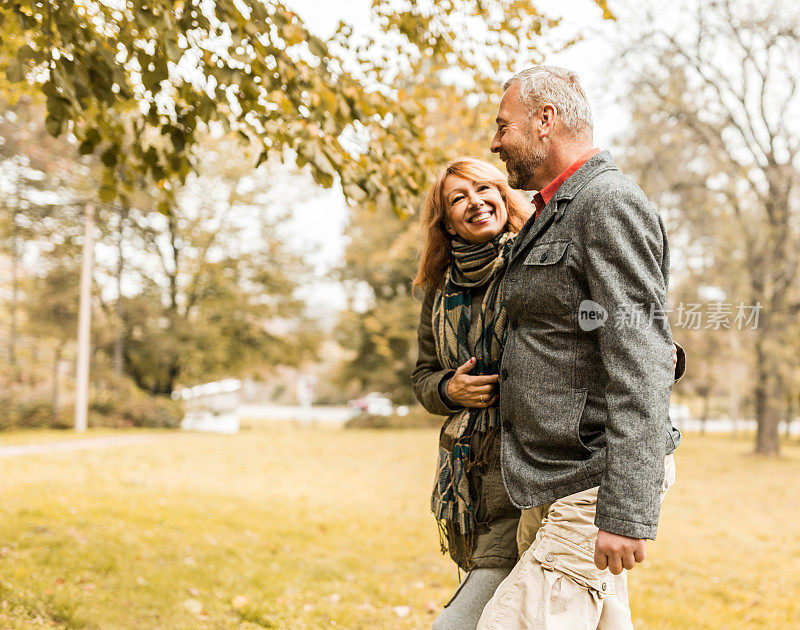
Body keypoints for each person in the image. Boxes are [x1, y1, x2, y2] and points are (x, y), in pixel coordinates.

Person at [476, 66, 685, 629]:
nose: (494, 142)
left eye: (502, 125)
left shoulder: (607, 203)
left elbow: (639, 357)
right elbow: (590, 325)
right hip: (549, 474)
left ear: (545, 121)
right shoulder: (552, 210)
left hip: (592, 479)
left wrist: (626, 509)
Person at [411, 157, 531, 630]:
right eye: (458, 198)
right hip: (469, 475)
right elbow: (423, 376)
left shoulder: (533, 259)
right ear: (445, 220)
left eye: (484, 189)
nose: (475, 203)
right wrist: (449, 387)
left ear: (504, 195)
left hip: (527, 463)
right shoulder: (438, 289)